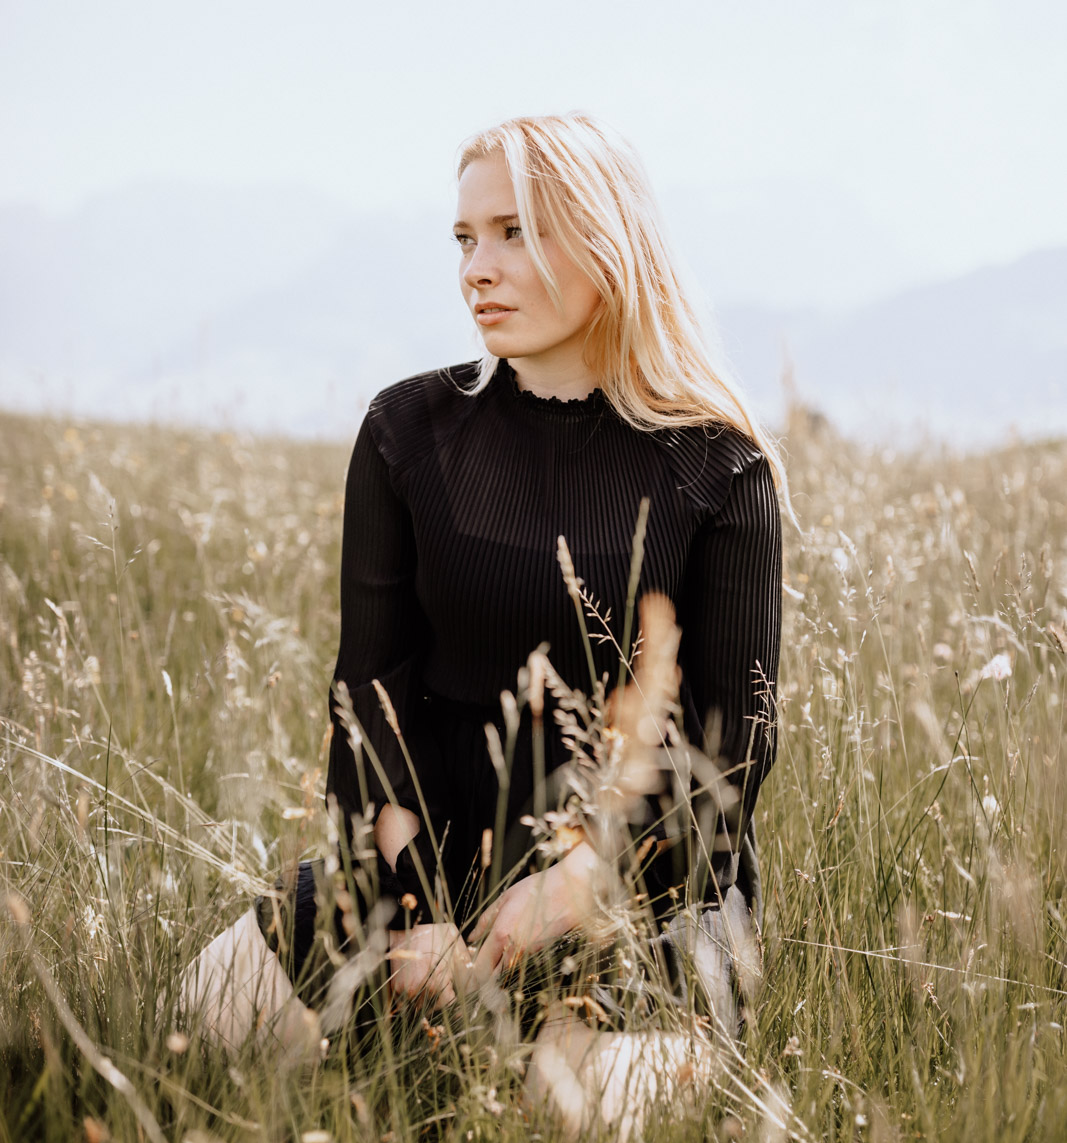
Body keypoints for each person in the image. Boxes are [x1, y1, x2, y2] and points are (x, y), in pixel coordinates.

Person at [181, 113, 784, 1084]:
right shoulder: (406, 431)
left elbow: (731, 751)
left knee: (566, 1107)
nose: (477, 270)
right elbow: (368, 698)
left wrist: (576, 882)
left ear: (608, 243)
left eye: (514, 233)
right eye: (464, 238)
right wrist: (417, 906)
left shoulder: (719, 468)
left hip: (644, 882)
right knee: (204, 1015)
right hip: (422, 856)